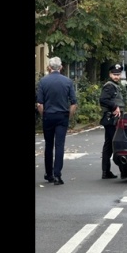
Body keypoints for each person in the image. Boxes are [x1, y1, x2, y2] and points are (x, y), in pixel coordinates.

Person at [36, 56, 78, 185]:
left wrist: (44, 115)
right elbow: (73, 103)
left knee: (49, 145)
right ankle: (57, 175)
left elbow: (39, 104)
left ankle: (48, 174)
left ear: (49, 67)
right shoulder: (68, 82)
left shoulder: (43, 82)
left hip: (48, 115)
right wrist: (68, 115)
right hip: (62, 116)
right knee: (60, 145)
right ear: (61, 67)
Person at [99, 64, 126, 179]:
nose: (116, 77)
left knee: (109, 145)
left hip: (111, 120)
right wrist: (115, 106)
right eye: (114, 74)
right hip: (112, 119)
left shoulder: (115, 86)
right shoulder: (109, 86)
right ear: (110, 74)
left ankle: (106, 171)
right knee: (117, 144)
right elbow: (103, 99)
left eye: (118, 74)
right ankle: (124, 172)